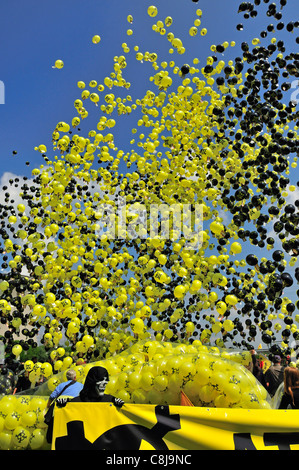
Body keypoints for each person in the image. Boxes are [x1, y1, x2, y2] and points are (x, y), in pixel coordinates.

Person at [57, 366, 124, 407]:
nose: (103, 385)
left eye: (105, 382)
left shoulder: (110, 401)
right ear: (92, 382)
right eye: (100, 381)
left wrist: (119, 407)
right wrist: (63, 406)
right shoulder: (76, 402)